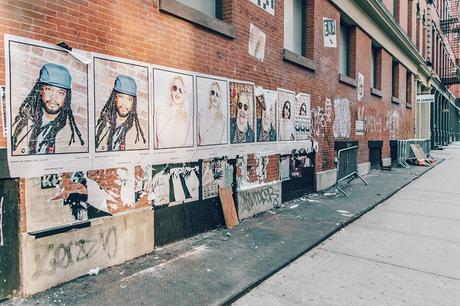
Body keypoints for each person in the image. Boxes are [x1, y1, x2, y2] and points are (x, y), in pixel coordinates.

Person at [11, 63, 85, 154]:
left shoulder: (72, 136)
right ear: (40, 91)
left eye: (60, 93)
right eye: (49, 89)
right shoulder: (22, 124)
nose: (54, 97)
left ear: (67, 97)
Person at [95, 75, 146, 151]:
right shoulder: (101, 125)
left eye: (129, 99)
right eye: (121, 97)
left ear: (133, 102)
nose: (124, 103)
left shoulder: (139, 134)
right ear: (115, 98)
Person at [155, 75, 192, 148]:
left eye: (181, 90)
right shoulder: (160, 111)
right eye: (175, 88)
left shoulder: (188, 118)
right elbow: (154, 143)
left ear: (184, 93)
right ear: (171, 90)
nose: (177, 92)